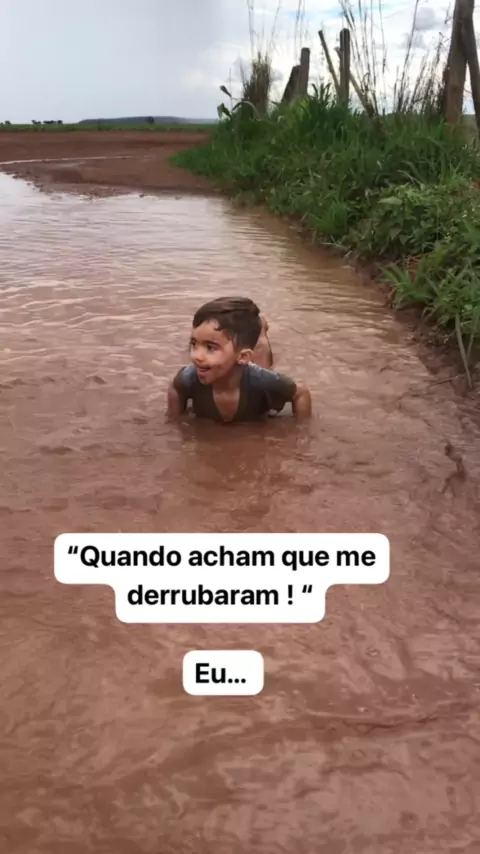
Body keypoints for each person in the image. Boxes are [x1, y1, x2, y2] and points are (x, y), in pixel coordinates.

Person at [167, 296, 312, 423]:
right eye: (194, 344)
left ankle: (261, 332)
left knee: (263, 360)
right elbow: (175, 387)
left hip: (252, 374)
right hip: (241, 365)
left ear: (242, 357)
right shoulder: (188, 378)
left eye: (210, 347)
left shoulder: (265, 381)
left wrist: (301, 430)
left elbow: (301, 393)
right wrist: (175, 420)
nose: (196, 356)